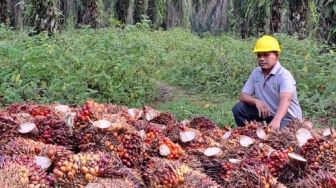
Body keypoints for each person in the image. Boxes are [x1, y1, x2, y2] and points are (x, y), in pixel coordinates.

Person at [232, 35, 302, 130]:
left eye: (266, 55)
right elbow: (243, 95)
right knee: (239, 108)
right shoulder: (257, 72)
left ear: (276, 56)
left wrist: (277, 120)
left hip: (287, 118)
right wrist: (256, 101)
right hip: (268, 114)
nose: (261, 59)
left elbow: (286, 100)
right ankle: (248, 136)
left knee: (278, 140)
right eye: (259, 55)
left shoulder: (284, 75)